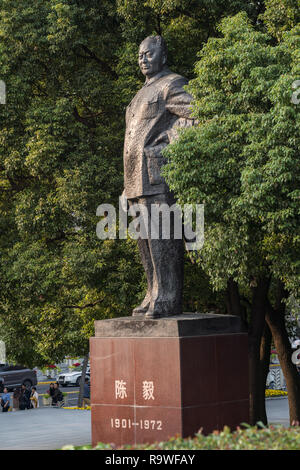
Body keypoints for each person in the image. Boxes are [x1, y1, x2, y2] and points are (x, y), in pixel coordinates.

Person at [123, 35, 195, 318]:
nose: (143, 59)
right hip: (134, 177)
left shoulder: (171, 84)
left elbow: (197, 116)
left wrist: (167, 142)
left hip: (157, 174)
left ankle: (167, 296)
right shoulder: (140, 92)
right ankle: (152, 291)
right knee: (145, 240)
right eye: (140, 55)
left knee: (163, 238)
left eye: (149, 54)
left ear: (163, 57)